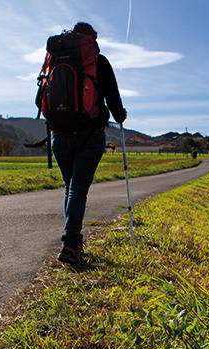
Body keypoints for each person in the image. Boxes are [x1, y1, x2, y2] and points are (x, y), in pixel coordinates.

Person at [48, 22, 127, 265]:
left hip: (59, 134)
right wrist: (120, 114)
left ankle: (71, 240)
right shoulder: (97, 61)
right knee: (78, 189)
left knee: (69, 187)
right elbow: (113, 99)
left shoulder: (54, 58)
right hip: (89, 134)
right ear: (91, 39)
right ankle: (71, 245)